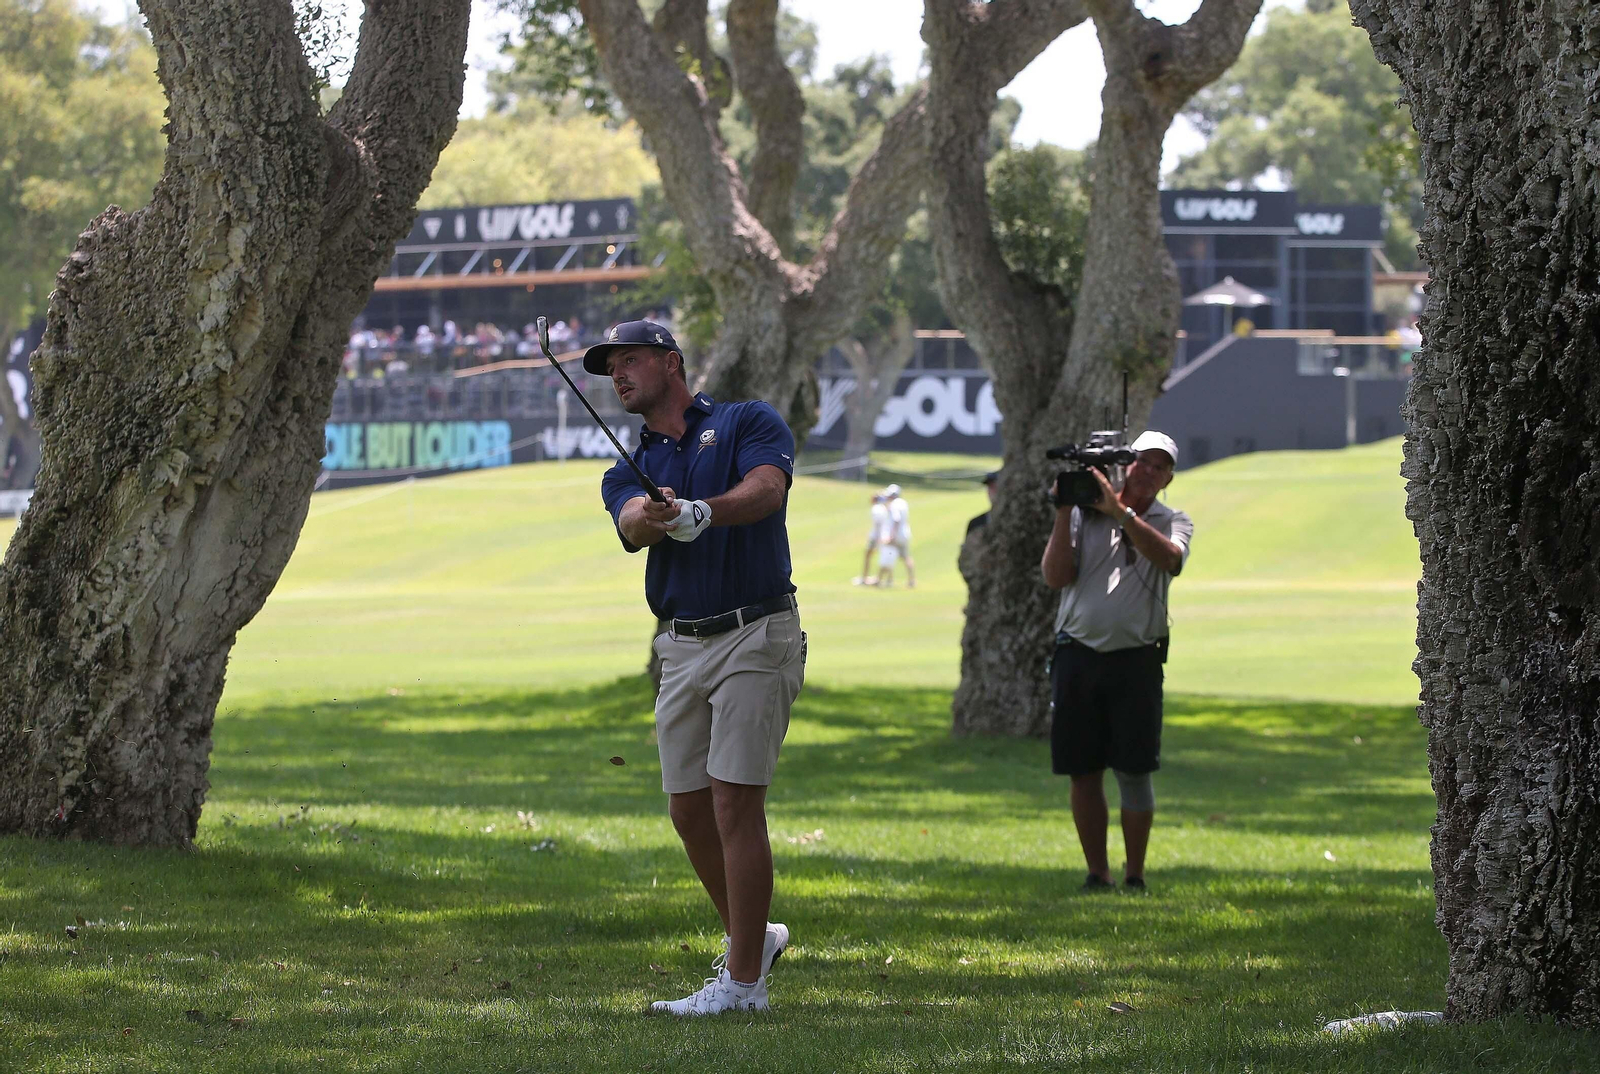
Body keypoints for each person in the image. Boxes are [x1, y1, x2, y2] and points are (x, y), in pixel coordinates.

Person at [588, 319, 804, 1016]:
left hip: (756, 631)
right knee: (688, 808)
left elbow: (768, 489)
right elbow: (630, 523)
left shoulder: (746, 421)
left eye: (629, 361)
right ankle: (755, 938)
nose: (618, 376)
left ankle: (743, 985)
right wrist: (658, 516)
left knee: (734, 800)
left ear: (671, 363)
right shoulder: (627, 467)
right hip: (680, 646)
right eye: (610, 370)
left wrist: (704, 512)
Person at [1039, 431, 1193, 893]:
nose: (1149, 471)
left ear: (1168, 479)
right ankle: (1097, 873)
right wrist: (1064, 510)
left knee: (1134, 770)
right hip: (1077, 653)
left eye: (1160, 466)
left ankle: (1135, 874)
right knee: (1083, 770)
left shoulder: (1174, 520)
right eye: (1142, 461)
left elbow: (1171, 560)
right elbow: (1056, 577)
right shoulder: (1082, 514)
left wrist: (1119, 513)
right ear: (1126, 464)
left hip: (1137, 660)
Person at [853, 493, 892, 586]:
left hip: (876, 537)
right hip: (884, 536)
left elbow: (878, 524)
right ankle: (888, 579)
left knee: (868, 555)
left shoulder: (876, 508)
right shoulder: (884, 508)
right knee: (885, 556)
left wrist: (878, 537)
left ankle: (865, 578)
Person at [883, 483, 915, 588]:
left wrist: (892, 535)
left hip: (896, 534)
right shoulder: (903, 503)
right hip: (905, 534)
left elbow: (896, 520)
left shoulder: (894, 504)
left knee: (890, 555)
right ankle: (911, 580)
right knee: (906, 556)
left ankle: (889, 579)